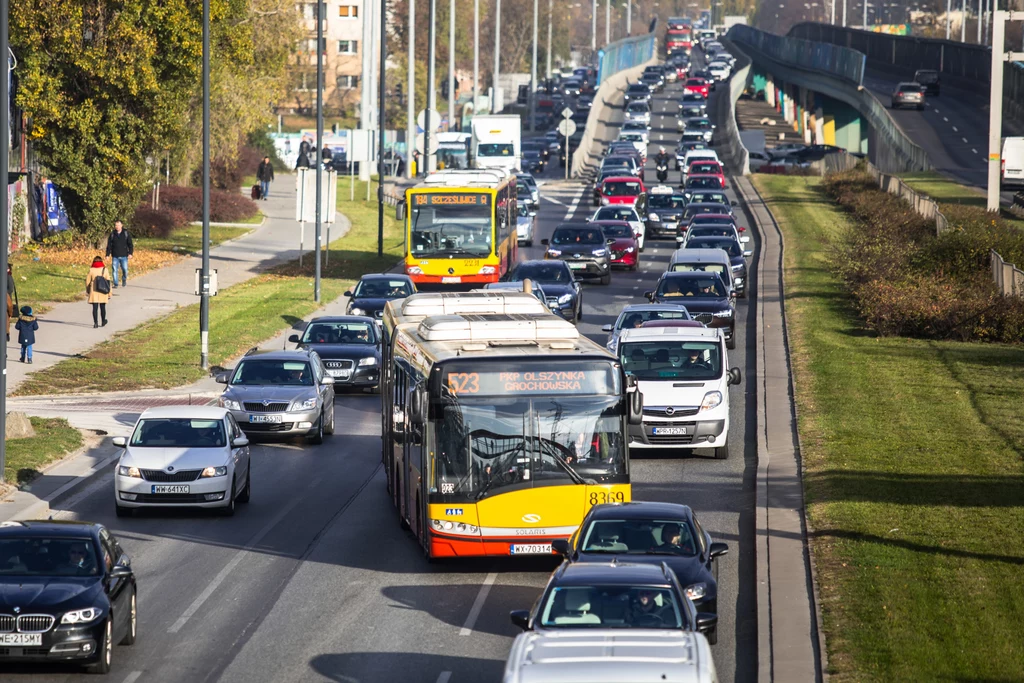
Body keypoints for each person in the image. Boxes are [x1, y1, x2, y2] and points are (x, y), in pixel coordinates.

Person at [105, 220, 133, 288]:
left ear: (121, 225)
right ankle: (115, 283)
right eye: (116, 225)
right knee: (114, 270)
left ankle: (124, 279)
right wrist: (107, 254)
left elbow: (130, 244)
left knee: (125, 270)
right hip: (115, 256)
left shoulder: (126, 233)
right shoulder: (112, 234)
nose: (117, 227)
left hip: (124, 255)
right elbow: (109, 245)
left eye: (118, 225)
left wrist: (130, 253)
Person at [86, 256, 110, 328]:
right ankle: (103, 321)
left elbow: (87, 281)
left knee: (95, 308)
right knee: (103, 307)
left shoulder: (91, 270)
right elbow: (108, 281)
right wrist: (109, 292)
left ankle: (95, 323)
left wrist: (88, 290)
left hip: (94, 290)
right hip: (103, 289)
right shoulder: (105, 270)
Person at [5, 264, 14, 342]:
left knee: (6, 319)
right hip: (6, 299)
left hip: (6, 299)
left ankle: (6, 334)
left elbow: (11, 289)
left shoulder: (8, 276)